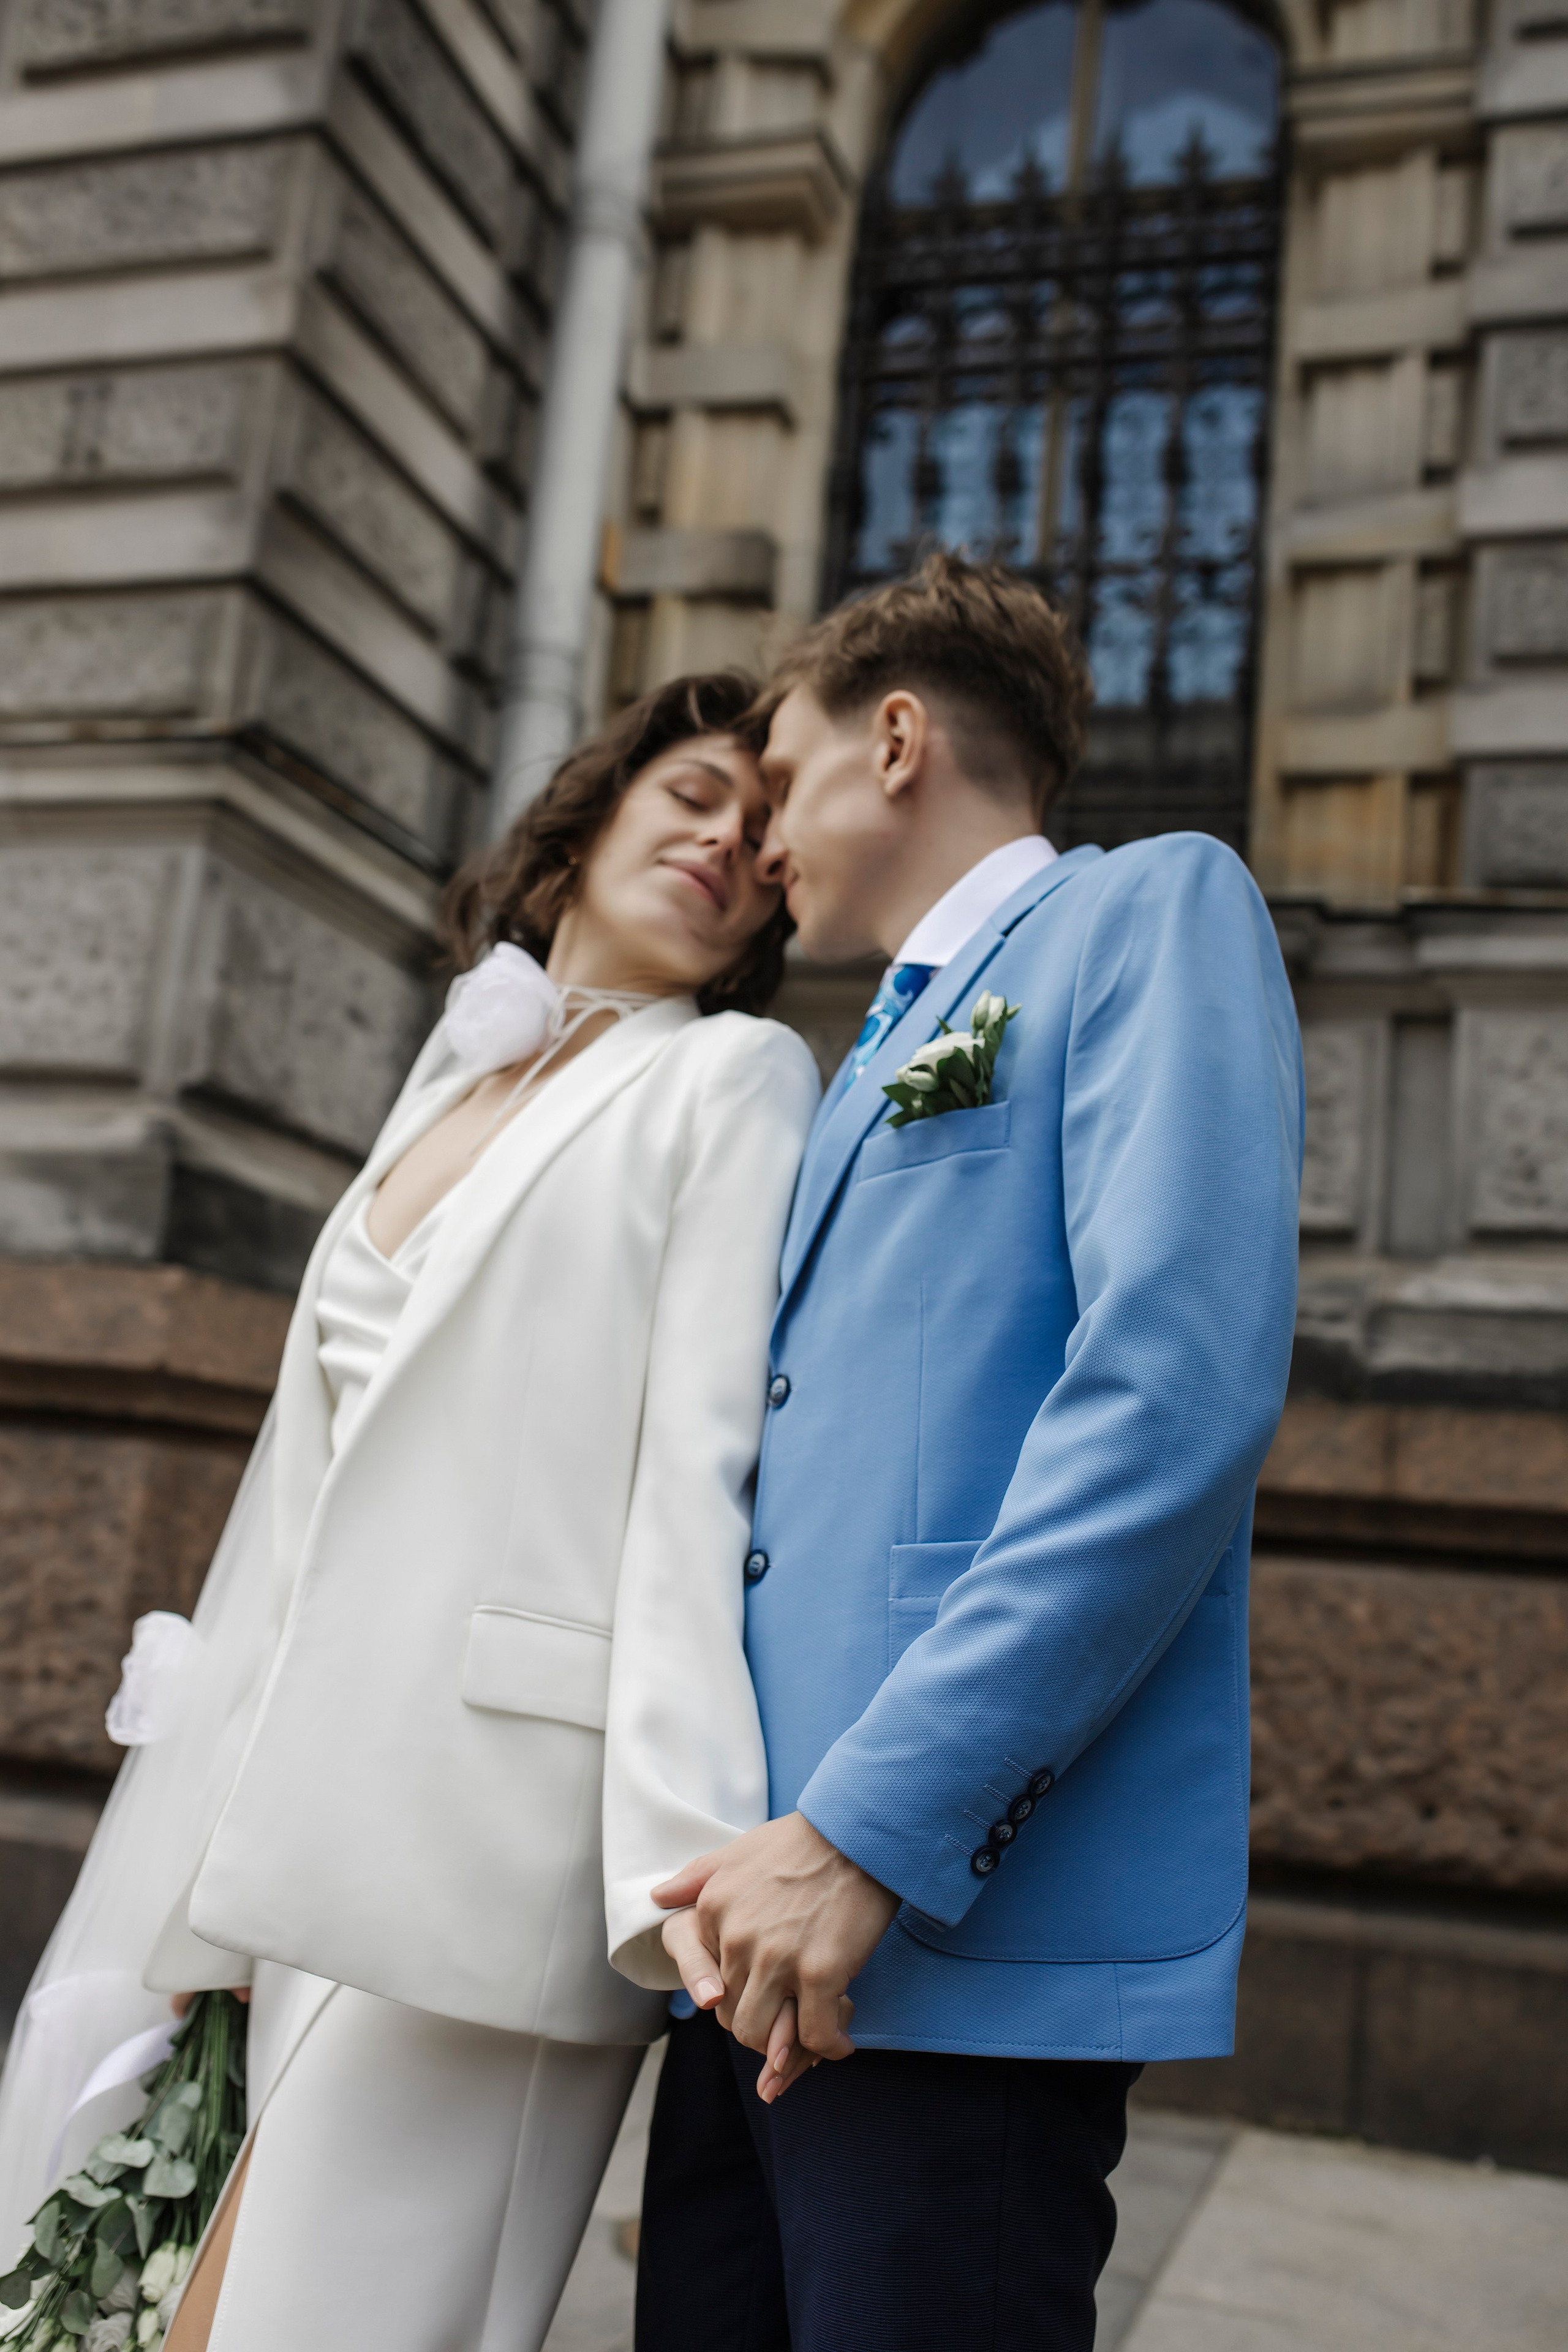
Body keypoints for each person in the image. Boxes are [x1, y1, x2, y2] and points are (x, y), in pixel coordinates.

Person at [0, 674, 821, 2352]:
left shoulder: (730, 1079)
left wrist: (677, 1885)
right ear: (587, 819)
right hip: (277, 1804)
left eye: (762, 831)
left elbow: (698, 1474)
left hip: (489, 1834)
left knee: (326, 2319)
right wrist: (200, 1817)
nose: (725, 840)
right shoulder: (454, 1075)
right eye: (690, 793)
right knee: (154, 2303)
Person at [643, 554, 1304, 2351]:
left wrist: (869, 1833)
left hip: (937, 1926)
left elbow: (1168, 1400)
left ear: (903, 737)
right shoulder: (851, 1060)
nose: (762, 844)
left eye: (781, 781)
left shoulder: (1149, 912)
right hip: (749, 1952)